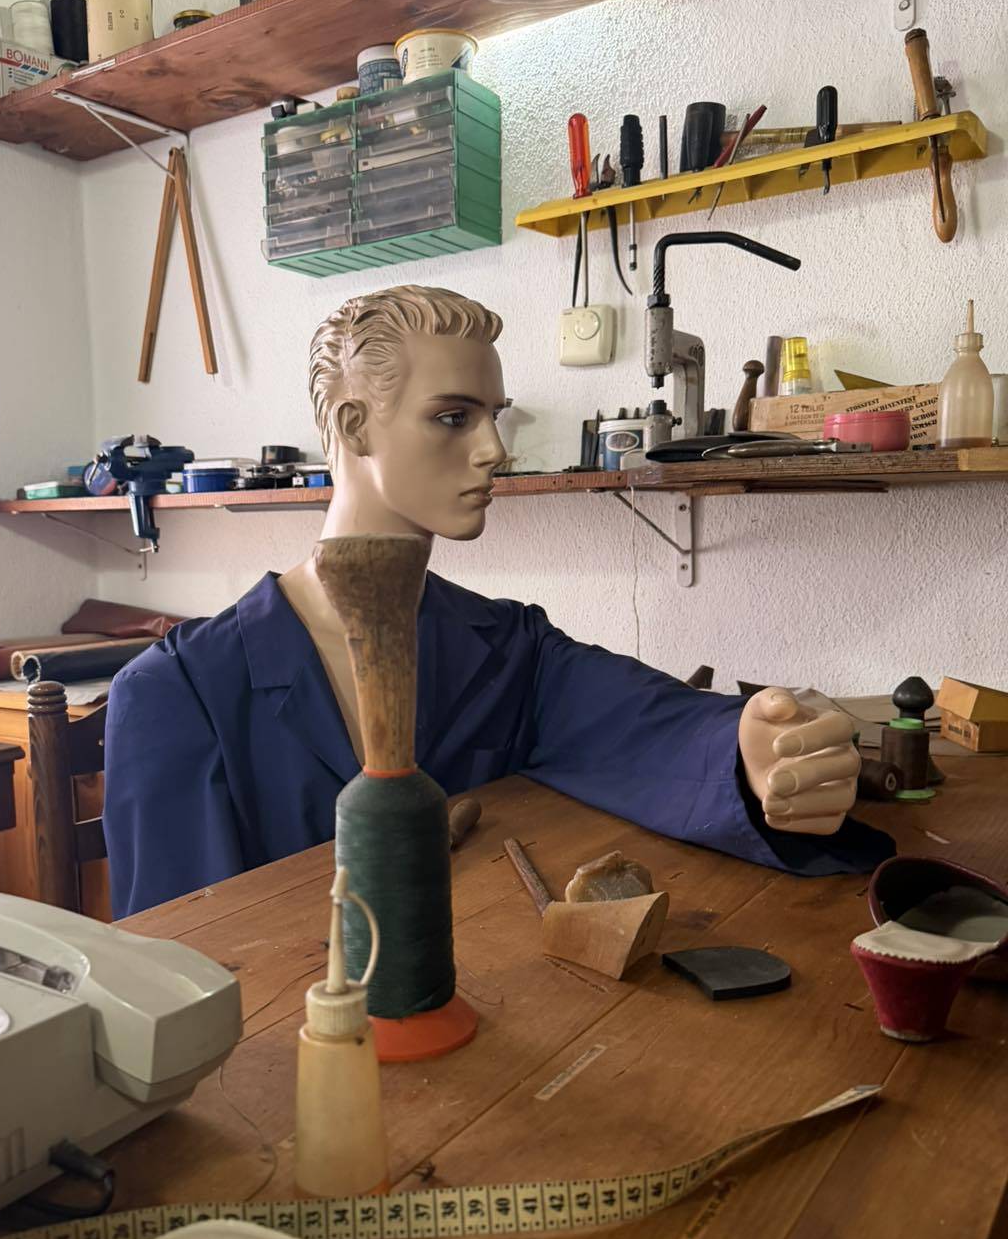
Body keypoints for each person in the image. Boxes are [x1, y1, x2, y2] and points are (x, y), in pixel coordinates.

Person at [105, 285, 890, 919]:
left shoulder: (505, 646)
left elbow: (644, 722)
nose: (495, 450)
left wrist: (751, 752)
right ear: (354, 426)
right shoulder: (179, 695)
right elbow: (173, 965)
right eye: (453, 417)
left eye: (494, 417)